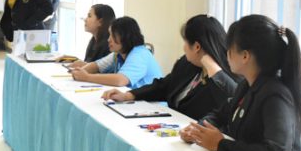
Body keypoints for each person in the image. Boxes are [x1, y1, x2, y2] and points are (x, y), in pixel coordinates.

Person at [180, 14, 301, 151]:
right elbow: (221, 114)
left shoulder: (276, 96)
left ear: (245, 56)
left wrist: (220, 144)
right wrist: (197, 130)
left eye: (230, 48)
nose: (226, 53)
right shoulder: (247, 85)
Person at [102, 15, 238, 120]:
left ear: (196, 47)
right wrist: (129, 95)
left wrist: (213, 70)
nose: (183, 47)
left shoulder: (226, 78)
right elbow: (164, 85)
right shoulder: (187, 64)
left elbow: (228, 108)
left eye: (185, 42)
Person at [69, 16, 161, 88]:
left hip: (152, 106)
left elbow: (120, 80)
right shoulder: (118, 54)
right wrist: (79, 72)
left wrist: (87, 77)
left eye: (112, 35)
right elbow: (97, 66)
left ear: (125, 37)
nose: (108, 40)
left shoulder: (140, 54)